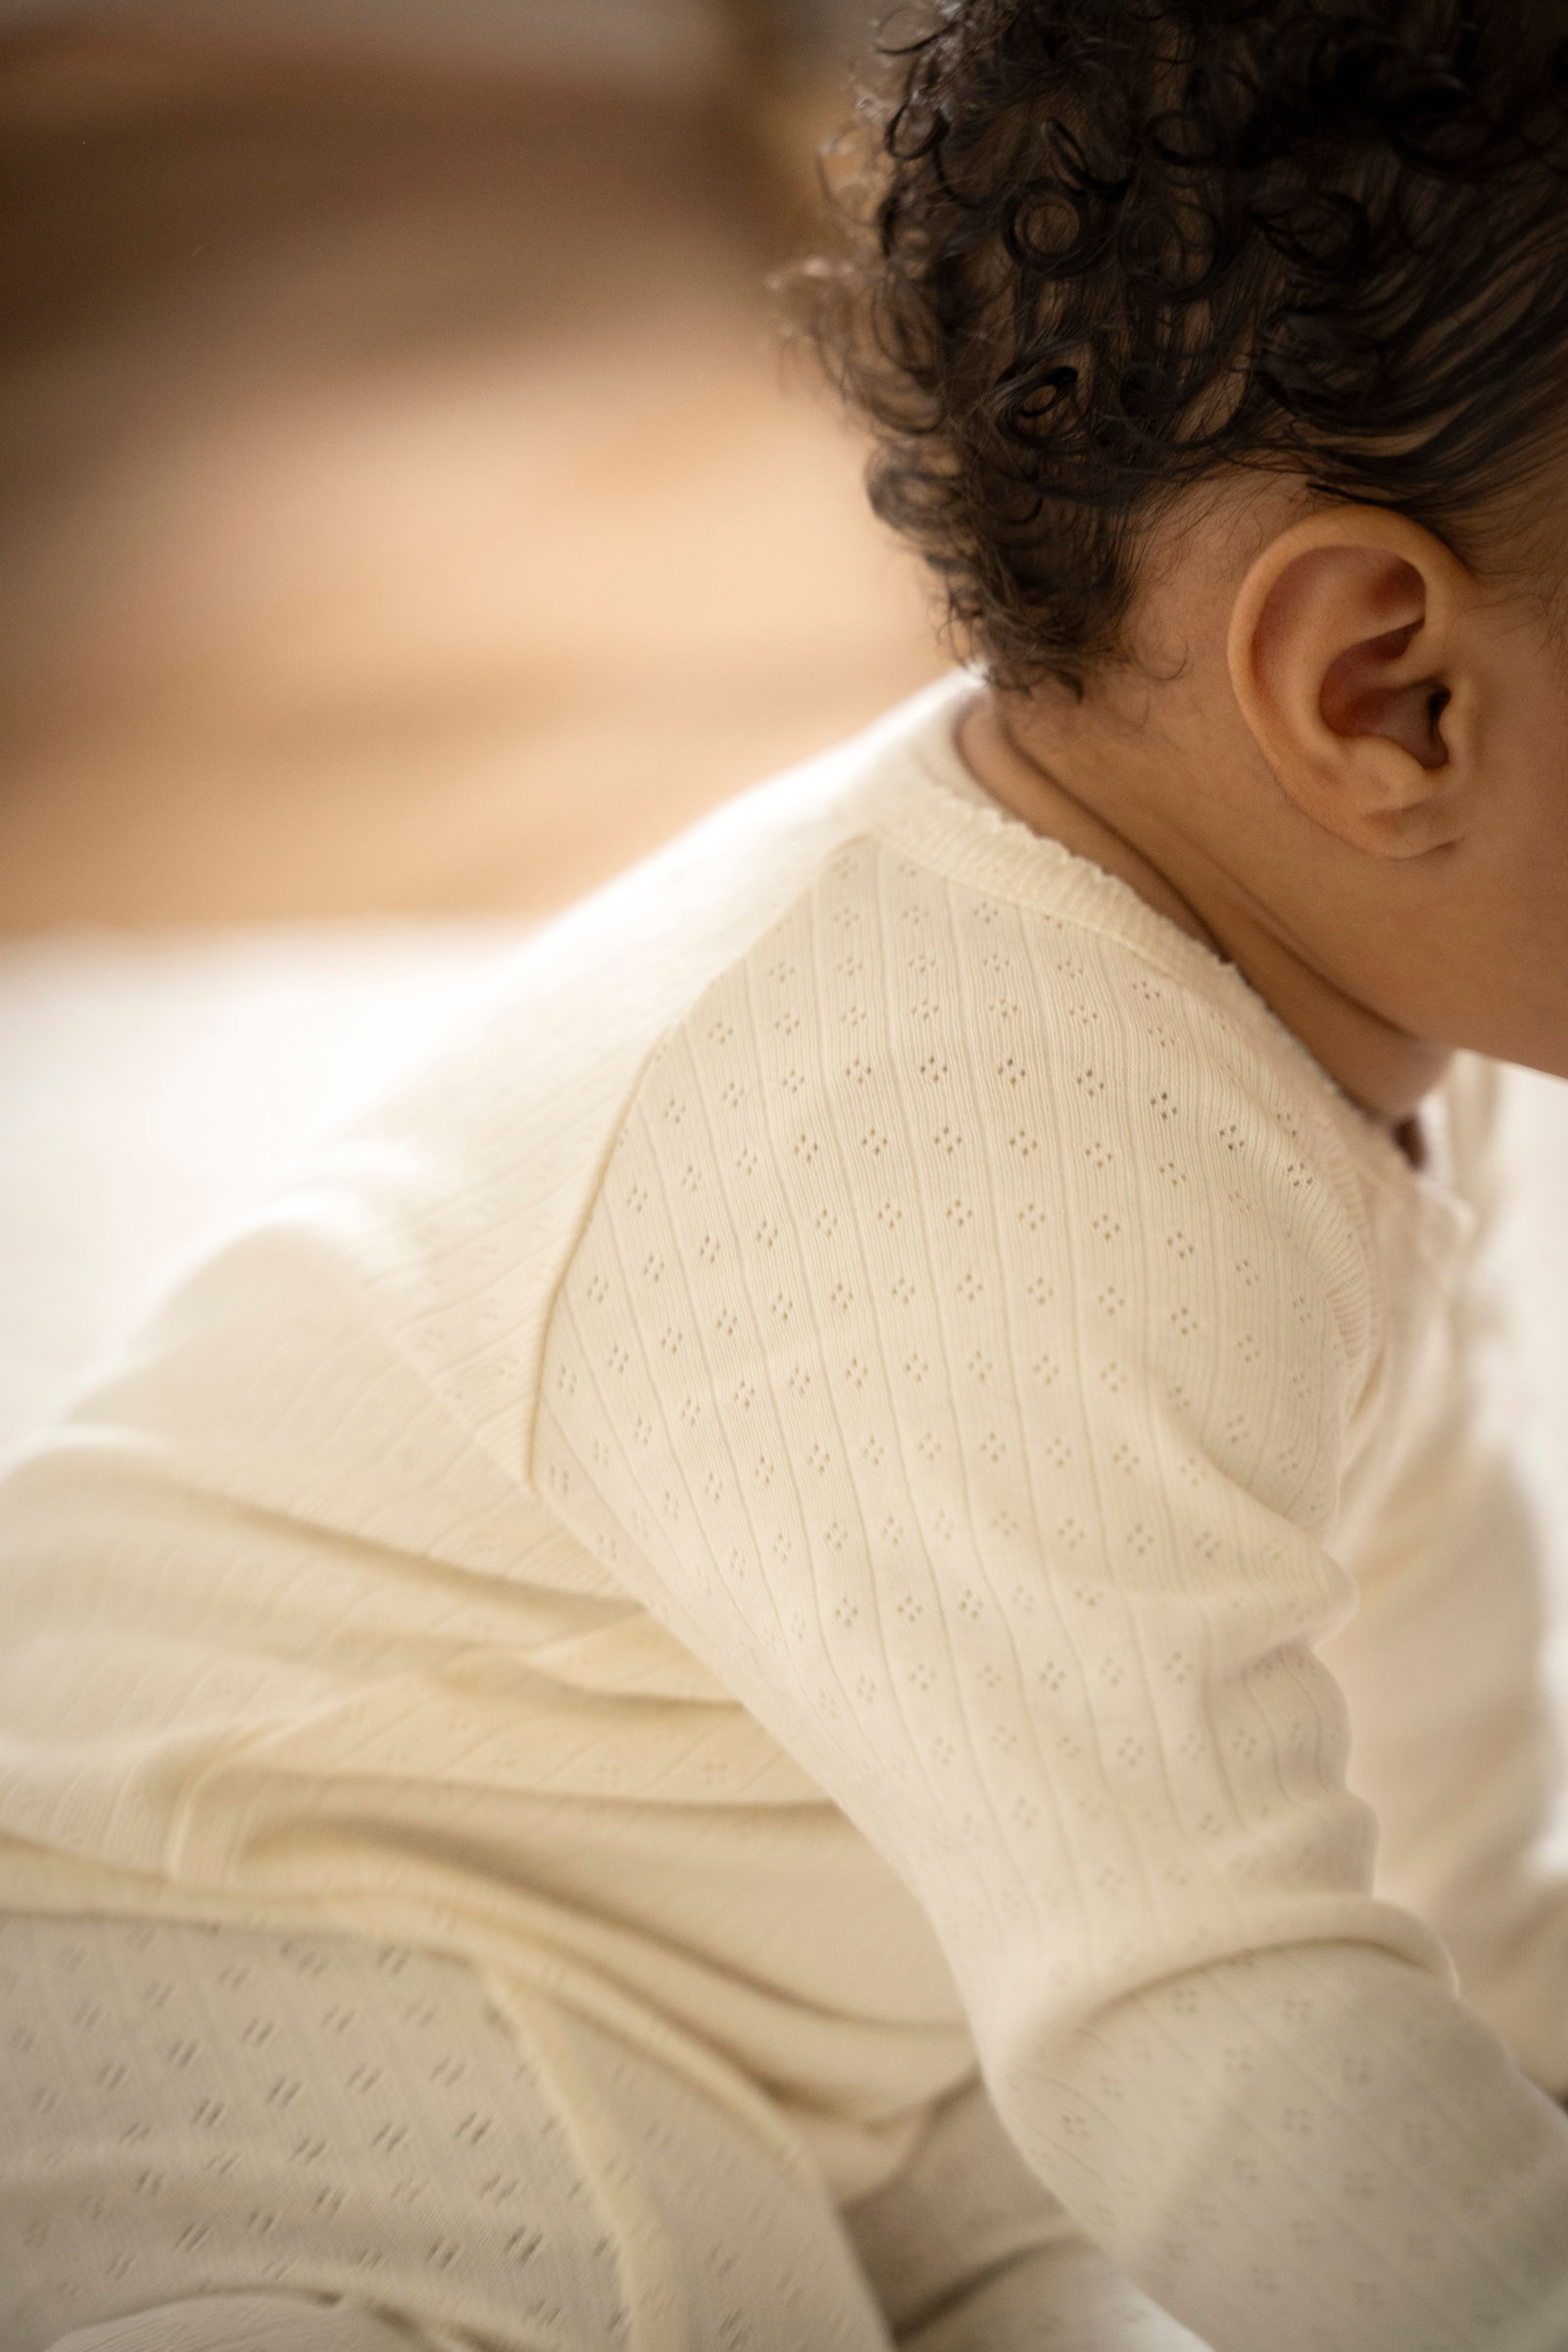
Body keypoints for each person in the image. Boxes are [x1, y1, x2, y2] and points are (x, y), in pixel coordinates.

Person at [6, 2, 1568, 2344]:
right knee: (687, 2264)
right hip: (242, 1957)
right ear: (1382, 695)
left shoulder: (1352, 1020)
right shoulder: (973, 1176)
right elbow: (1201, 2009)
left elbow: (1422, 1761)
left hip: (803, 1982)